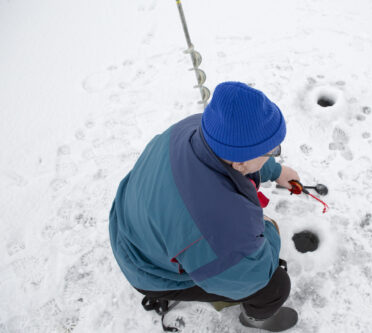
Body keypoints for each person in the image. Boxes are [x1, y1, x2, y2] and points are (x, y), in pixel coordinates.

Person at [109, 81, 299, 331]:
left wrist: (275, 171)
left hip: (130, 228)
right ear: (240, 163)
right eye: (271, 152)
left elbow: (242, 154)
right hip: (148, 269)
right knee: (274, 287)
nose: (274, 154)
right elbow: (252, 275)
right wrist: (270, 232)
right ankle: (256, 318)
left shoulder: (195, 128)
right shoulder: (218, 224)